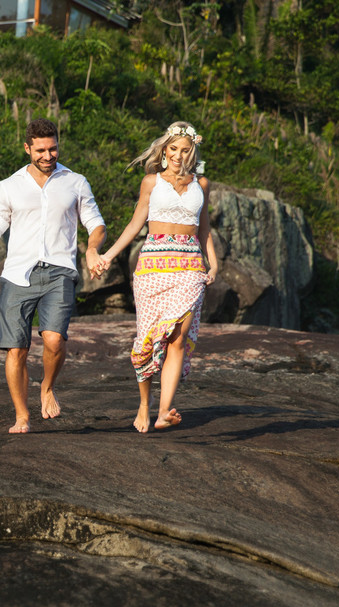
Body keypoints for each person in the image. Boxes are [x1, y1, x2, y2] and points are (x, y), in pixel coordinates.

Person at [0, 118, 106, 434]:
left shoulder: (76, 182)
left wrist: (92, 250)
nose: (48, 155)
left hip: (60, 271)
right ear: (27, 148)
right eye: (41, 150)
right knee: (16, 349)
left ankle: (47, 387)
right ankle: (21, 416)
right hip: (18, 275)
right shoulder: (10, 186)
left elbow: (95, 223)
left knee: (54, 339)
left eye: (53, 148)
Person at [100, 121, 219, 433]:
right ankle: (144, 403)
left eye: (185, 150)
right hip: (153, 265)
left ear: (193, 151)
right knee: (149, 339)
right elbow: (135, 223)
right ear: (165, 151)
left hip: (190, 265)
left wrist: (213, 263)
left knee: (178, 336)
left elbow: (204, 227)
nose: (179, 155)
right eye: (174, 149)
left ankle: (164, 410)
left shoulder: (201, 184)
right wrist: (108, 255)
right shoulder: (151, 181)